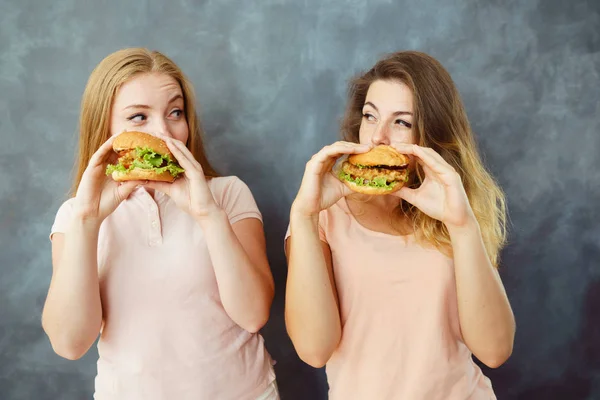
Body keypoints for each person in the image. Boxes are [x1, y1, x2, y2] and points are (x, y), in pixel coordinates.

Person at [42, 48, 279, 400]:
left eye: (175, 112)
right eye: (139, 117)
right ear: (104, 127)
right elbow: (69, 342)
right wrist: (88, 222)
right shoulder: (75, 214)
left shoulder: (228, 194)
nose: (164, 132)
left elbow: (253, 315)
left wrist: (208, 215)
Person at [284, 51, 516, 399]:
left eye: (401, 122)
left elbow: (495, 351)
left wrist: (463, 226)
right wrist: (303, 218)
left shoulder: (455, 211)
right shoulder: (322, 217)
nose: (378, 137)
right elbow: (314, 350)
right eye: (370, 115)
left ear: (431, 135)